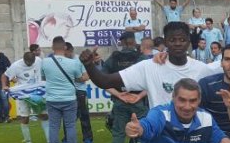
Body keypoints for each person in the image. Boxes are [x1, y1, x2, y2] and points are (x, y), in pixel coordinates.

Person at [81, 22, 214, 110]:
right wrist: (89, 65)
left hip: (193, 140)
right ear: (165, 42)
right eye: (172, 40)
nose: (178, 44)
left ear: (189, 42)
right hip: (161, 137)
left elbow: (229, 66)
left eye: (182, 40)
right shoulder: (148, 67)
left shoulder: (202, 69)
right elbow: (105, 81)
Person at [103, 32, 149, 143]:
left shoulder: (114, 58)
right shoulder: (141, 58)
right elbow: (151, 81)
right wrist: (139, 96)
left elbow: (103, 80)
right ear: (134, 41)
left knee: (119, 133)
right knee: (145, 133)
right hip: (138, 100)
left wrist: (118, 95)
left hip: (120, 100)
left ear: (122, 42)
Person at [41, 38, 88, 143]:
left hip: (52, 98)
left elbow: (44, 78)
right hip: (69, 97)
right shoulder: (73, 63)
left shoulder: (45, 62)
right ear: (65, 48)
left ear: (52, 47)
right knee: (70, 126)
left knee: (54, 126)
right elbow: (80, 78)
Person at [2, 46, 47, 143]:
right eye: (29, 63)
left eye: (32, 62)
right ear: (25, 60)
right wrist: (4, 86)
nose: (31, 64)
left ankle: (49, 141)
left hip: (37, 93)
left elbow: (44, 72)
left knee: (44, 115)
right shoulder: (16, 66)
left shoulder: (39, 61)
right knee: (24, 117)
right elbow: (4, 76)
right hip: (23, 94)